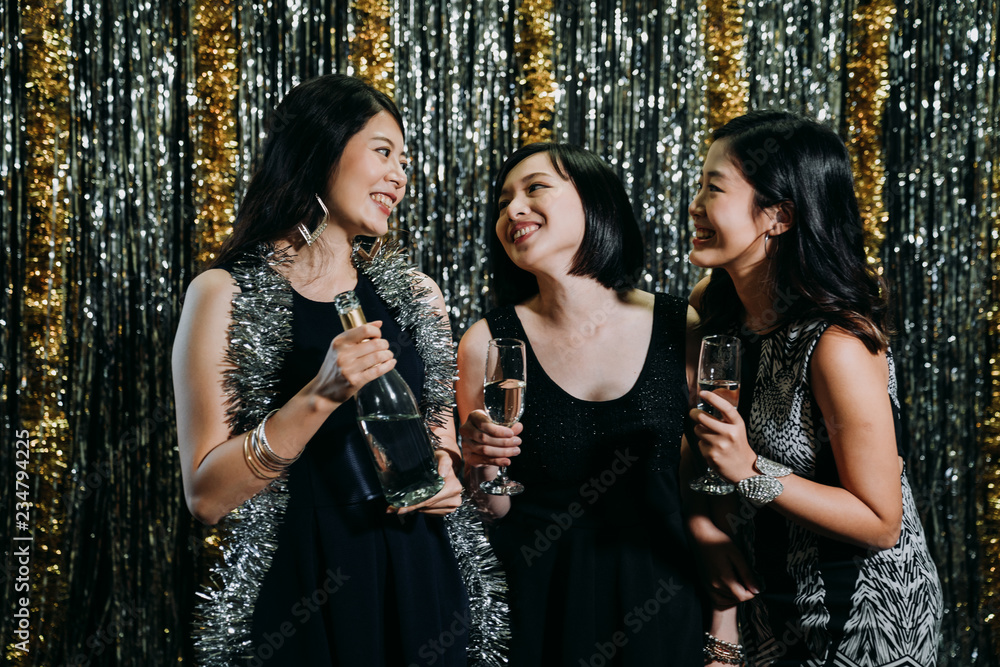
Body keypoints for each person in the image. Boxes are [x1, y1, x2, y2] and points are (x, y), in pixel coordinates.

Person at [172, 74, 475, 666]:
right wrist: (321, 393)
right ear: (320, 147)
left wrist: (449, 471)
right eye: (383, 151)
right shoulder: (223, 293)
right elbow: (206, 496)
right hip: (303, 581)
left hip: (421, 574)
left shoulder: (417, 294)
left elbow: (441, 446)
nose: (400, 176)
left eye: (405, 161)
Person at [683, 110, 943, 666]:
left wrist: (751, 472)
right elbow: (690, 435)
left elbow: (879, 520)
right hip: (771, 608)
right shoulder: (716, 301)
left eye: (713, 189)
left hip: (864, 617)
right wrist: (706, 523)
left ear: (777, 216)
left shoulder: (837, 345)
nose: (695, 206)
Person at [457, 142, 704, 665]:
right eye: (503, 202)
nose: (512, 210)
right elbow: (492, 510)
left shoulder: (680, 328)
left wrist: (723, 634)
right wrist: (479, 464)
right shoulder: (485, 342)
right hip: (537, 610)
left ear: (596, 203)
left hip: (661, 604)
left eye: (535, 188)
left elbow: (709, 495)